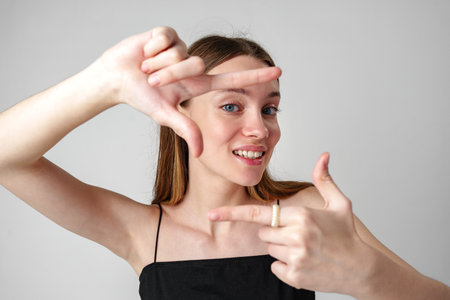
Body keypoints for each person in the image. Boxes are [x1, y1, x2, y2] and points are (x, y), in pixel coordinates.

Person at [0, 26, 448, 299]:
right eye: (232, 106)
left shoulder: (304, 212)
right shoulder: (140, 232)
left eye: (269, 109)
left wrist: (369, 277)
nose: (260, 128)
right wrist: (104, 83)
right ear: (179, 114)